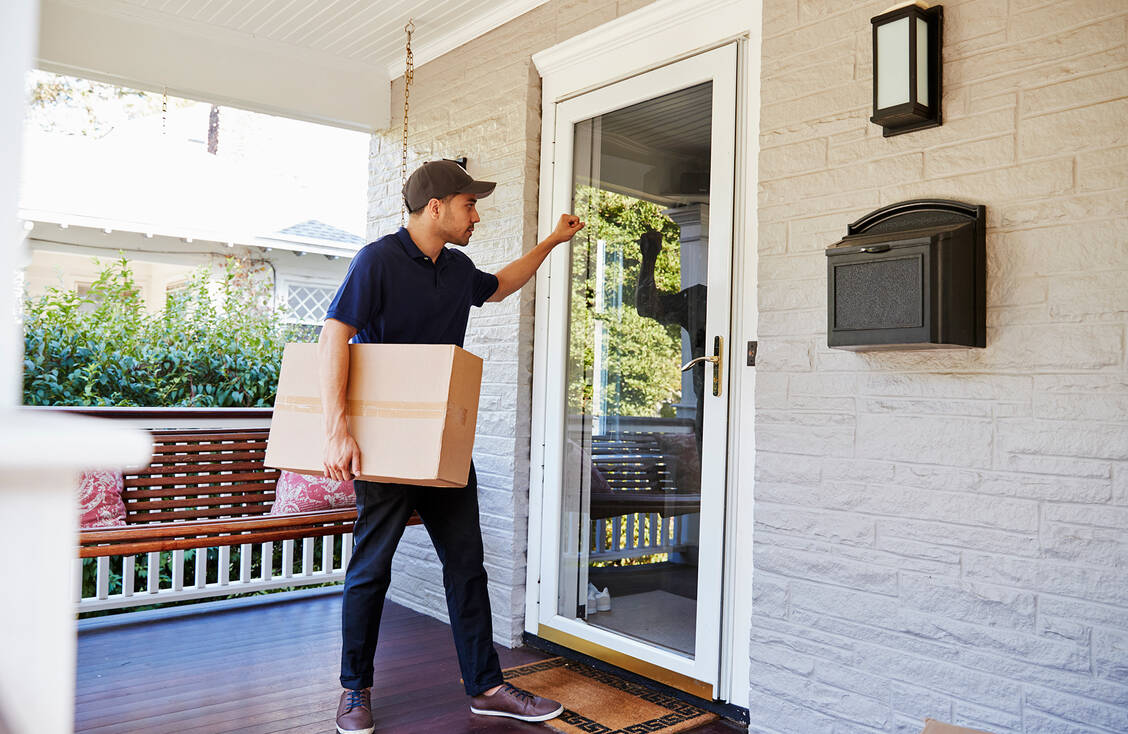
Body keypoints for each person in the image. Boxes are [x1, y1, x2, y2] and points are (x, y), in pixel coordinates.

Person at [319, 159, 584, 734]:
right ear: (435, 207)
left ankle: (486, 687)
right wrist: (337, 428)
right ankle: (354, 689)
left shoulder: (458, 267)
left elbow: (500, 286)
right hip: (385, 445)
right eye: (469, 205)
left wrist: (551, 242)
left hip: (443, 443)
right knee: (372, 568)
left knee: (466, 565)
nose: (476, 216)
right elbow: (334, 333)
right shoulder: (377, 260)